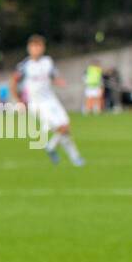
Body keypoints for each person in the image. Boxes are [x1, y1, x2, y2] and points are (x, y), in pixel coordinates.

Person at [12, 34, 83, 166]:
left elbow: (53, 77)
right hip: (37, 104)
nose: (36, 49)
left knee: (66, 127)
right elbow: (13, 82)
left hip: (51, 100)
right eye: (34, 46)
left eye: (39, 46)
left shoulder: (48, 62)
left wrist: (59, 82)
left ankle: (53, 148)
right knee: (60, 128)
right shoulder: (24, 65)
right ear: (29, 48)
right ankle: (75, 158)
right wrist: (19, 100)